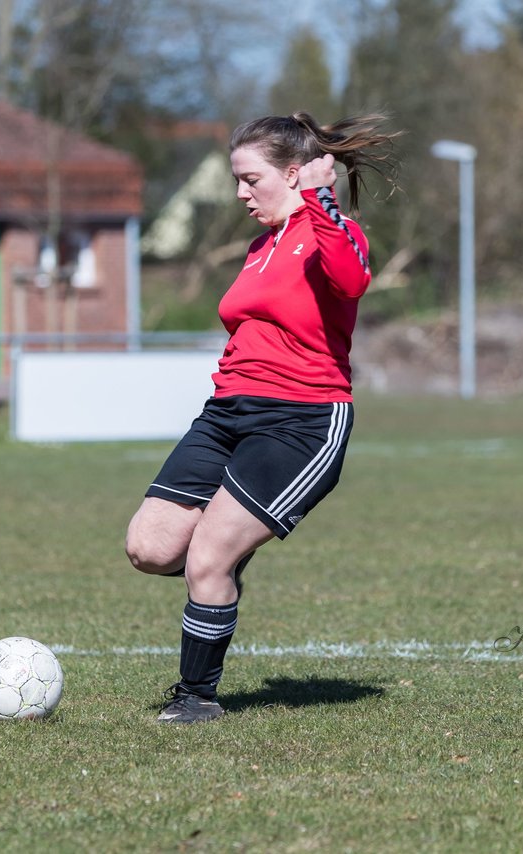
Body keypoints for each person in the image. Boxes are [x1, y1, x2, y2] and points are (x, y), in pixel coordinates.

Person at [124, 112, 400, 724]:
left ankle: (197, 697)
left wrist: (323, 199)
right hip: (225, 414)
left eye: (250, 179)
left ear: (294, 174)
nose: (240, 194)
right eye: (237, 180)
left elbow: (352, 278)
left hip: (300, 423)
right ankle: (222, 568)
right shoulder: (259, 246)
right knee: (148, 547)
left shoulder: (337, 229)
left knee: (207, 561)